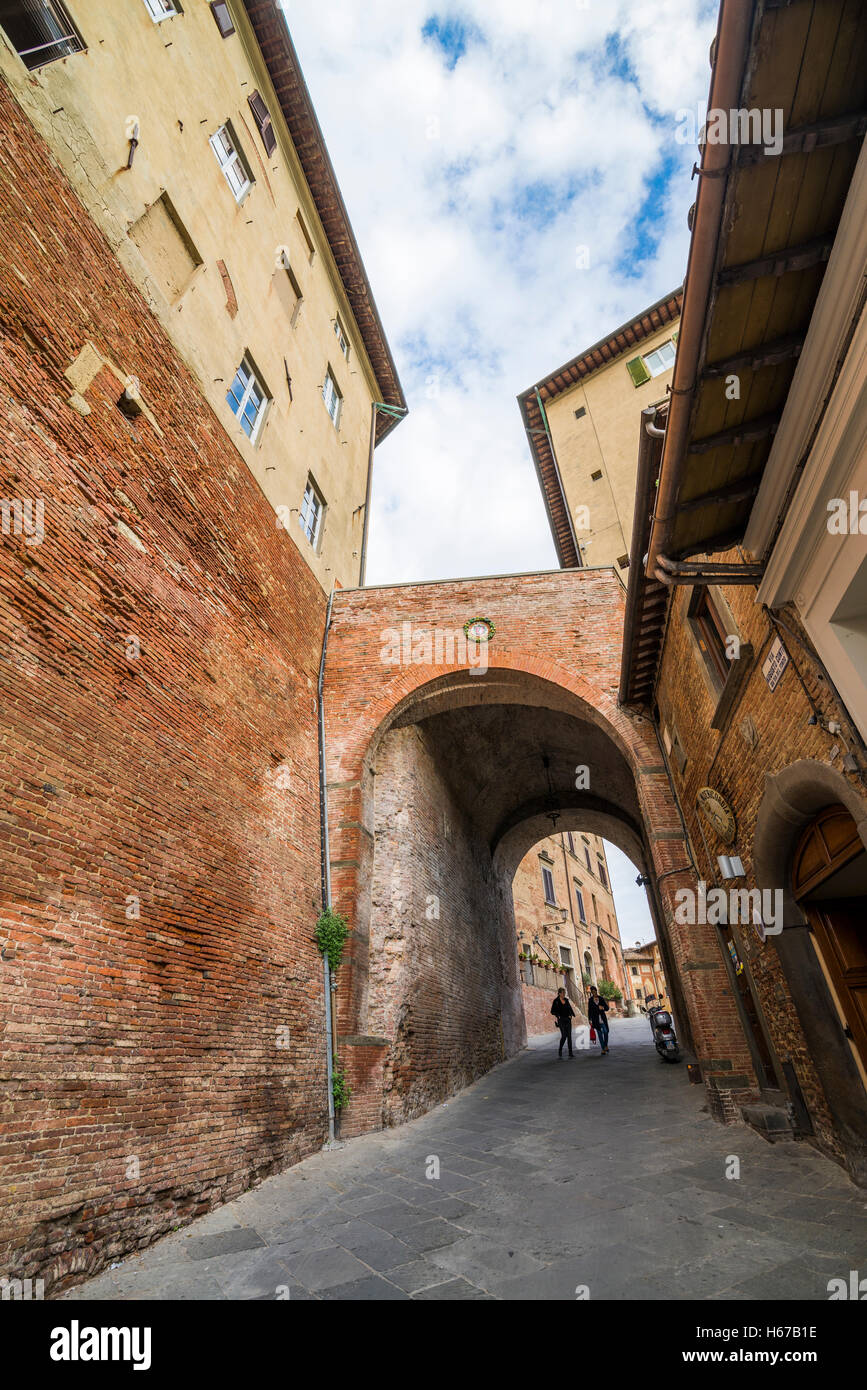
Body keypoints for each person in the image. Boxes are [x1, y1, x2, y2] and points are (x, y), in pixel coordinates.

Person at [550, 987, 575, 1058]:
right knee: (564, 1036)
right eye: (563, 993)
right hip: (561, 1020)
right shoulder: (556, 1001)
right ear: (560, 993)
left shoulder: (566, 1000)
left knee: (569, 1036)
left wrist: (570, 1015)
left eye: (565, 993)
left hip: (568, 1019)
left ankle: (570, 1053)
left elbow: (570, 1009)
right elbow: (552, 1011)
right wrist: (558, 1015)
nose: (564, 994)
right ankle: (560, 1049)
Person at [588, 986, 610, 1054]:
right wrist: (589, 1019)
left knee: (606, 1032)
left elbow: (607, 1008)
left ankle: (605, 1045)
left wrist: (602, 1007)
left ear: (596, 991)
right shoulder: (590, 1000)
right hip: (595, 1020)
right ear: (591, 992)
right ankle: (603, 1049)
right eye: (592, 992)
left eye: (594, 991)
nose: (593, 992)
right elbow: (589, 1010)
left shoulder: (601, 998)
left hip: (602, 1019)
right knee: (600, 1035)